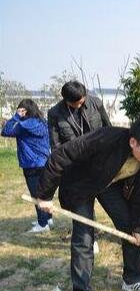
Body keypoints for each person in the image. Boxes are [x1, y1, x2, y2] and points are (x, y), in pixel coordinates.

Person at [35, 118, 140, 291]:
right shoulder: (106, 138)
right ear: (133, 142)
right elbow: (62, 154)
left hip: (107, 184)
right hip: (81, 184)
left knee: (129, 228)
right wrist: (44, 195)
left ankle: (133, 280)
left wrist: (138, 228)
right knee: (84, 236)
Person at [47, 80, 112, 253]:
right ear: (67, 101)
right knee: (82, 208)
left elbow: (108, 128)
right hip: (75, 169)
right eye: (77, 103)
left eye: (83, 100)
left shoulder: (95, 103)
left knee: (113, 201)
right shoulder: (55, 113)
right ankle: (90, 238)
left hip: (99, 165)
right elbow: (56, 146)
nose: (81, 104)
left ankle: (134, 231)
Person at [1, 99, 53, 233]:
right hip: (45, 162)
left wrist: (16, 116)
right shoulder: (43, 123)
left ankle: (43, 225)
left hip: (31, 164)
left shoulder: (23, 126)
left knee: (36, 195)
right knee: (45, 192)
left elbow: (5, 131)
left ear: (24, 111)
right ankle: (48, 218)